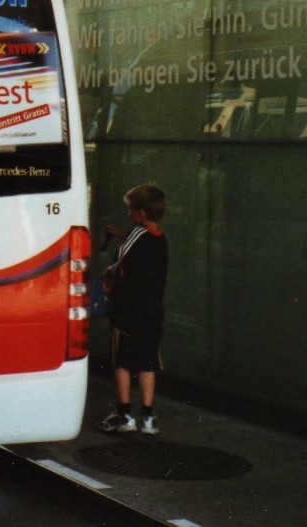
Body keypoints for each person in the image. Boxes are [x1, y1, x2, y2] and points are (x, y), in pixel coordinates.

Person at [97, 183, 169, 436]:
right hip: (152, 313)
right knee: (147, 363)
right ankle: (148, 419)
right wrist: (121, 235)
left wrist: (108, 277)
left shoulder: (136, 235)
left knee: (122, 362)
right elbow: (141, 251)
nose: (128, 214)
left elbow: (118, 269)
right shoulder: (159, 239)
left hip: (128, 313)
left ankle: (123, 414)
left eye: (130, 210)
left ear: (140, 214)